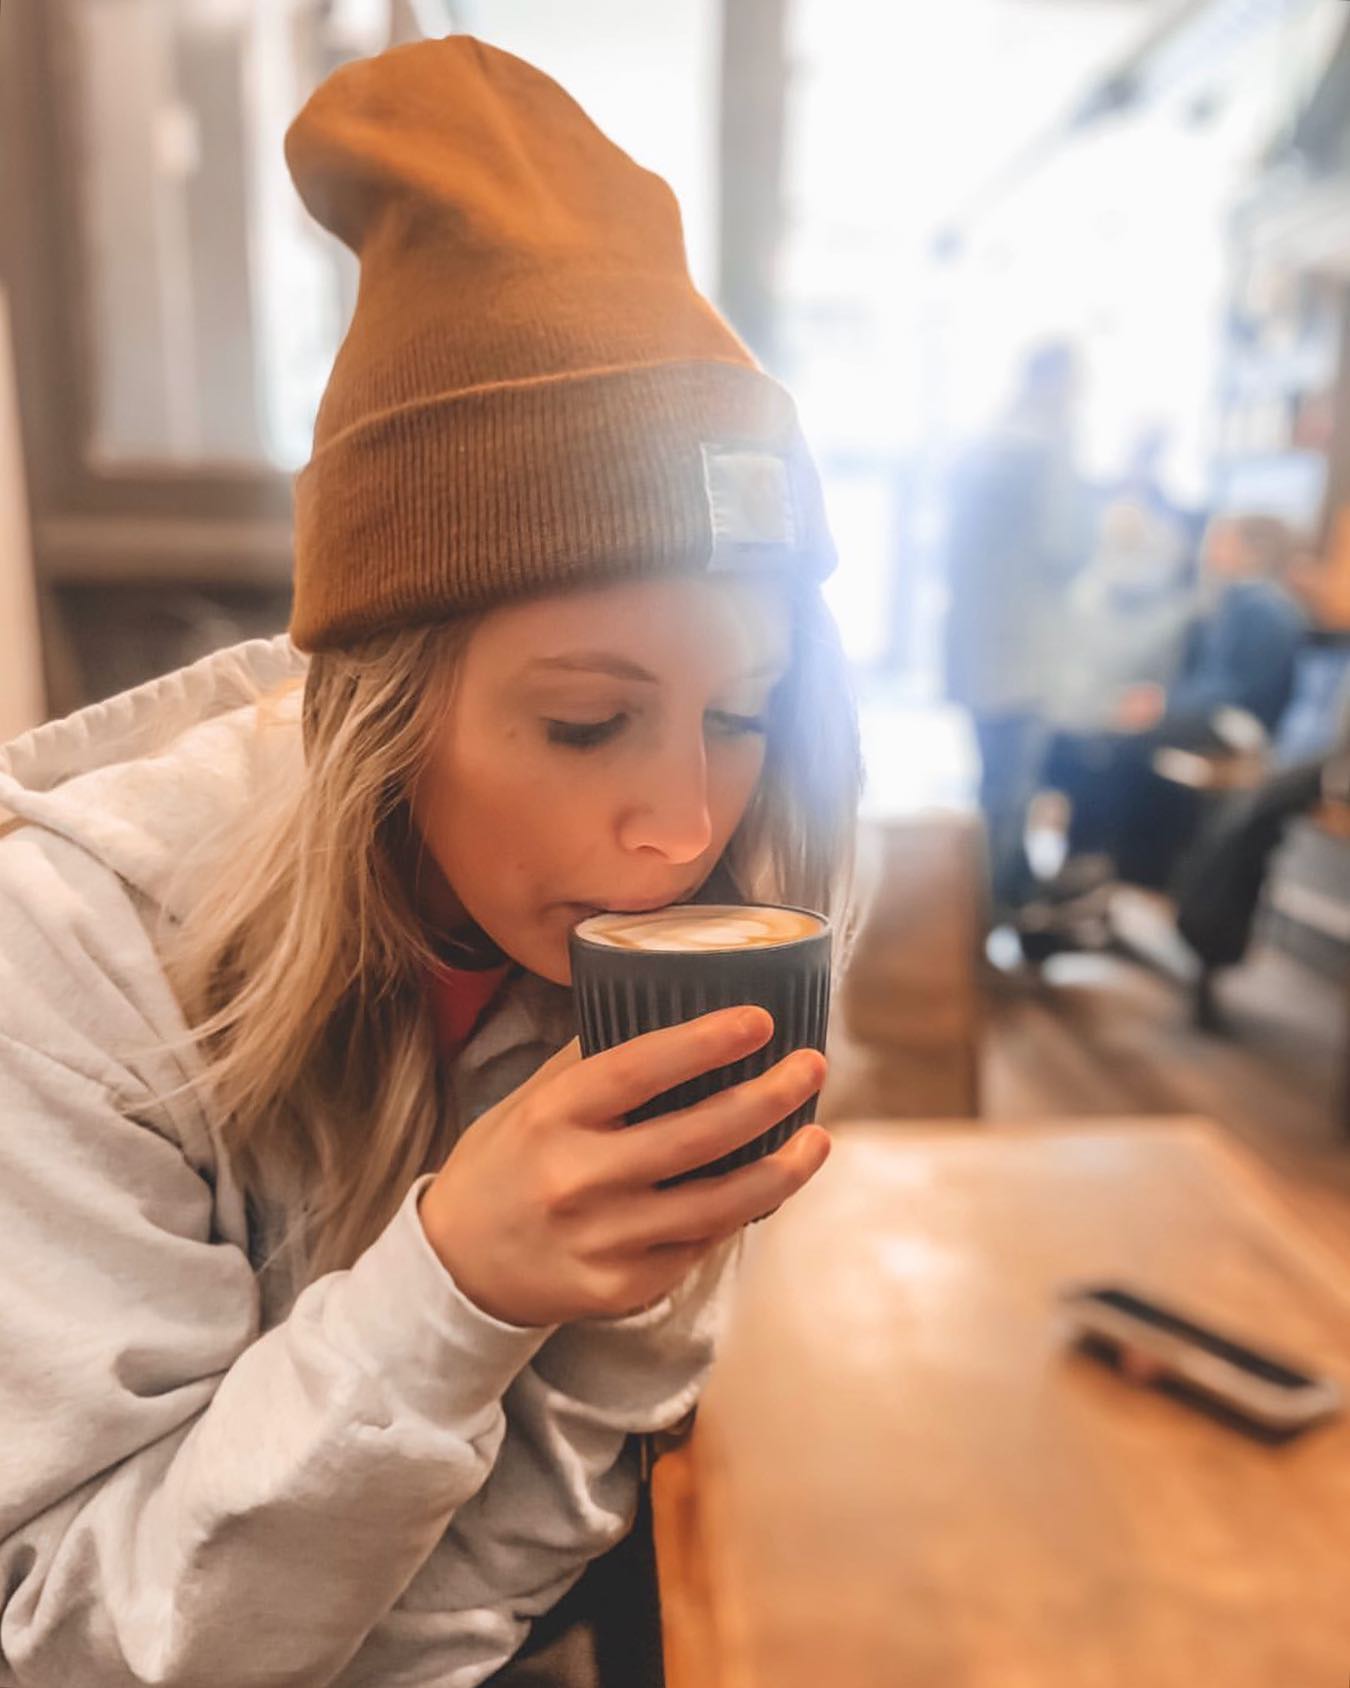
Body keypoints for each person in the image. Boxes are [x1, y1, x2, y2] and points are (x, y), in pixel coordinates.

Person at [0, 38, 861, 1688]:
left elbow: (554, 1505)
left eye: (740, 714)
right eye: (588, 722)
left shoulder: (684, 921)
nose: (685, 828)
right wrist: (455, 1288)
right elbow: (68, 1636)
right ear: (383, 712)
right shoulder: (71, 962)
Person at [1039, 512, 1310, 895]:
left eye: (1222, 542)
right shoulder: (1232, 601)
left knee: (1119, 745)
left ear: (1252, 550)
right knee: (1110, 734)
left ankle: (1110, 866)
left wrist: (1165, 708)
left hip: (1241, 725)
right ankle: (1102, 864)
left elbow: (1240, 690)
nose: (1208, 551)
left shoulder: (1264, 607)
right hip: (1217, 713)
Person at [942, 340, 1092, 919]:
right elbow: (1066, 548)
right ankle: (993, 918)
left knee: (992, 785)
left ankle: (987, 909)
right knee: (1011, 793)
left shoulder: (983, 443)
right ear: (1058, 381)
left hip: (977, 644)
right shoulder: (1048, 447)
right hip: (1027, 650)